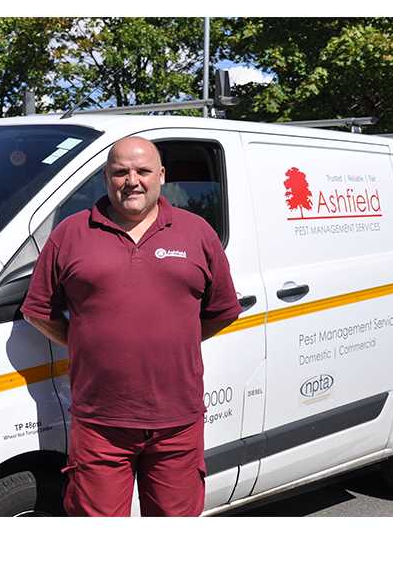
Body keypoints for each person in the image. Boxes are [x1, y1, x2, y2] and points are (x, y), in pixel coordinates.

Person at [21, 136, 242, 517]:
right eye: (121, 172)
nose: (132, 181)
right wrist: (82, 341)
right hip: (100, 423)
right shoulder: (70, 234)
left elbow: (222, 310)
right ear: (105, 177)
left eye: (142, 171)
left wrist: (181, 339)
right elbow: (38, 310)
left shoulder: (198, 232)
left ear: (161, 176)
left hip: (177, 422)